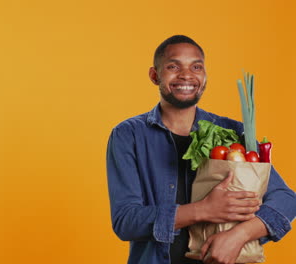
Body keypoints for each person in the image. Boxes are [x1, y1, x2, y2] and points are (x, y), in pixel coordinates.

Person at [106, 35, 296, 264]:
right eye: (173, 66)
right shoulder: (129, 135)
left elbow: (287, 199)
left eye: (196, 67)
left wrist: (239, 236)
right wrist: (203, 210)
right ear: (155, 76)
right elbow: (126, 222)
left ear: (204, 77)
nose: (186, 74)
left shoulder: (232, 132)